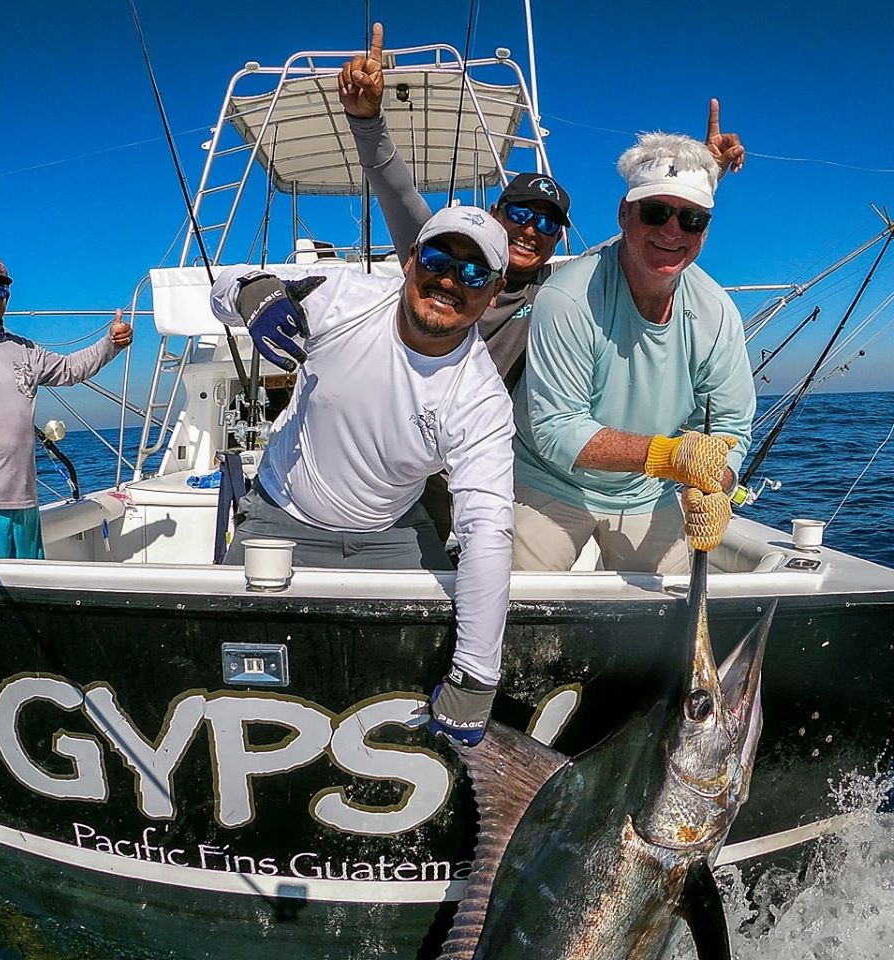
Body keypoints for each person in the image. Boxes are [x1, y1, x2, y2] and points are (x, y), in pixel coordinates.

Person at [211, 206, 515, 747]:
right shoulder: (341, 295)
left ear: (493, 294)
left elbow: (487, 528)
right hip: (280, 516)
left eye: (473, 273)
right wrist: (249, 292)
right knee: (225, 656)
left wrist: (476, 677)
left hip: (389, 530)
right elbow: (223, 287)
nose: (449, 280)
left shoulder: (482, 399)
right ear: (410, 261)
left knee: (427, 655)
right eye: (438, 259)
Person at [337, 22, 745, 392]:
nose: (531, 229)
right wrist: (367, 121)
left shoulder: (555, 288)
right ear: (495, 214)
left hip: (479, 434)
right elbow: (397, 193)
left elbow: (650, 238)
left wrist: (699, 176)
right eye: (519, 214)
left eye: (548, 224)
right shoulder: (438, 259)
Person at [511, 133, 755, 574]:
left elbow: (730, 426)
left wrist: (716, 483)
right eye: (656, 212)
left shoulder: (718, 313)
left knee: (670, 610)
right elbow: (556, 430)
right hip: (547, 480)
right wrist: (670, 457)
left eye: (692, 219)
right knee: (516, 603)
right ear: (625, 213)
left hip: (647, 490)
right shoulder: (567, 297)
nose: (672, 231)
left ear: (704, 230)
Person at [0, 254, 133, 561]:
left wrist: (111, 343)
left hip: (25, 500)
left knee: (27, 585)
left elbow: (70, 368)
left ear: (7, 297)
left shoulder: (25, 350)